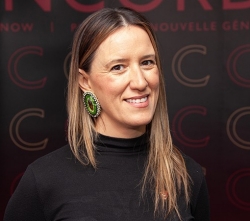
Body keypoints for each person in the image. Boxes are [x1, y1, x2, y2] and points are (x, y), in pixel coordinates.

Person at [4, 7, 210, 221]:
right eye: (118, 67)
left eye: (147, 62)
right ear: (85, 82)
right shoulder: (43, 180)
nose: (140, 82)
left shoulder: (187, 175)